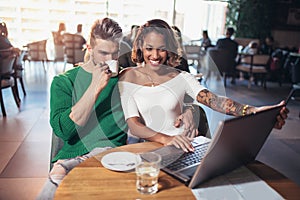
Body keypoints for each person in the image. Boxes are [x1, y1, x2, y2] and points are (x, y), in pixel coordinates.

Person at [37, 17, 195, 199]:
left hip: (115, 157)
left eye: (115, 53)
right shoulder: (63, 82)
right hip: (73, 158)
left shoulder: (125, 79)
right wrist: (94, 88)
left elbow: (168, 92)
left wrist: (189, 109)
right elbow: (64, 131)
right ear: (89, 49)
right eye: (103, 53)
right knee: (53, 189)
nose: (111, 60)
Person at [118, 19, 289, 152]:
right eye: (149, 48)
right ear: (140, 46)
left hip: (185, 145)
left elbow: (215, 101)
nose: (155, 55)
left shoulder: (182, 77)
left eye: (161, 49)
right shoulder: (128, 77)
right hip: (154, 148)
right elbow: (134, 124)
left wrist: (256, 112)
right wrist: (166, 139)